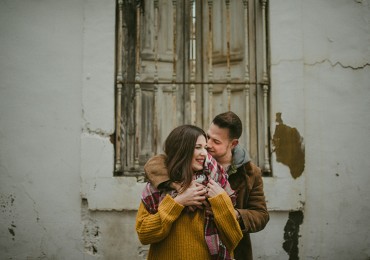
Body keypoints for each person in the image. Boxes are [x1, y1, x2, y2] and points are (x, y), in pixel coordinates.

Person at [145, 112, 269, 260]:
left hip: (232, 249)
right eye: (208, 136)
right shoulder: (194, 159)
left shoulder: (250, 172)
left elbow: (261, 215)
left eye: (216, 141)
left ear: (233, 143)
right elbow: (155, 164)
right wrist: (177, 186)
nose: (208, 144)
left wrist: (230, 212)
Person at [136, 124, 243, 260]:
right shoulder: (157, 186)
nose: (204, 153)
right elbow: (144, 235)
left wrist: (220, 201)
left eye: (205, 148)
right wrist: (178, 202)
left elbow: (233, 238)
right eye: (198, 147)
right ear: (181, 149)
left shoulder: (217, 184)